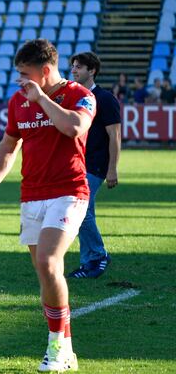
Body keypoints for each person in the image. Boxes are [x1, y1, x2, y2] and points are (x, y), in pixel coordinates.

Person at [0, 39, 96, 372]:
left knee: (48, 261)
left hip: (69, 192)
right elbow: (8, 145)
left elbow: (74, 127)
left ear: (45, 71)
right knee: (44, 273)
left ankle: (56, 348)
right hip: (32, 195)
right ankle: (66, 348)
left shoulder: (79, 95)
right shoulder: (18, 101)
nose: (20, 82)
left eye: (25, 75)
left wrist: (41, 99)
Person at [68, 52, 120, 279]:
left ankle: (98, 256)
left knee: (80, 212)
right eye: (73, 66)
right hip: (77, 164)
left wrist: (112, 169)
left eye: (79, 67)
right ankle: (89, 262)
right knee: (83, 212)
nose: (74, 70)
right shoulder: (73, 97)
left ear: (92, 70)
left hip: (96, 165)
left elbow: (115, 136)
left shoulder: (105, 99)